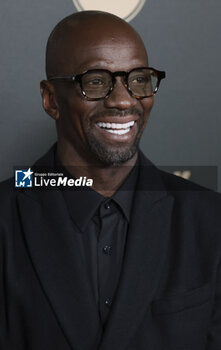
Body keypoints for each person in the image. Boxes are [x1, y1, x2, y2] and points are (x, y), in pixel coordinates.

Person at [0, 11, 221, 350]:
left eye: (139, 79)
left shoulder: (210, 219)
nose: (123, 100)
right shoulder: (6, 213)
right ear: (50, 99)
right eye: (95, 81)